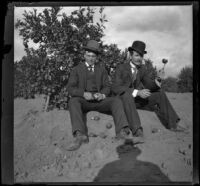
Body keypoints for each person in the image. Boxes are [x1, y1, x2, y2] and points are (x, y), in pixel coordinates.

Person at [112, 40, 185, 139]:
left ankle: (173, 124)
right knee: (126, 95)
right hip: (123, 100)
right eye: (137, 55)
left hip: (135, 101)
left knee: (160, 94)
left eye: (141, 56)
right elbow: (116, 87)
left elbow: (149, 84)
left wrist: (158, 80)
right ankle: (137, 130)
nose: (139, 58)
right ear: (130, 55)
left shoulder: (142, 69)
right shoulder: (121, 67)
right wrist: (137, 92)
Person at [66, 40, 130, 151]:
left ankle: (121, 133)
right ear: (84, 55)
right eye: (88, 55)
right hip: (84, 101)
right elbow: (70, 88)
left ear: (96, 58)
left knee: (116, 101)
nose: (90, 58)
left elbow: (107, 87)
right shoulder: (76, 70)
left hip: (99, 101)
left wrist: (103, 95)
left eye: (93, 56)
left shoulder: (102, 70)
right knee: (73, 101)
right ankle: (80, 135)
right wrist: (83, 94)